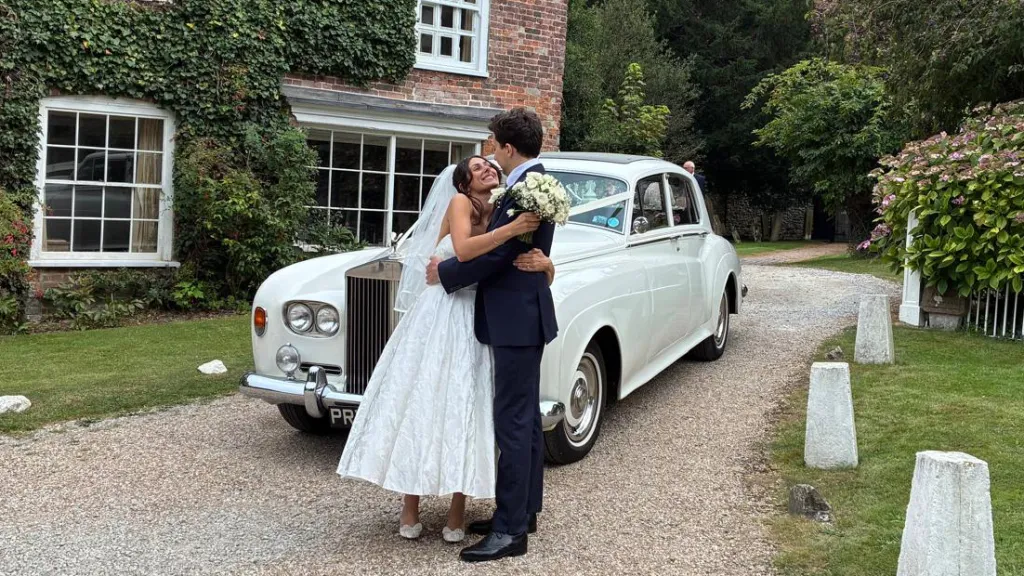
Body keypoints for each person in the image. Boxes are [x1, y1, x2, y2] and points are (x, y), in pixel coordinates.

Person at [336, 155, 554, 544]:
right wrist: (514, 230)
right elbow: (465, 250)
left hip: (477, 316)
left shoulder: (502, 207)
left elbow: (506, 264)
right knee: (427, 400)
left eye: (490, 165)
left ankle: (458, 509)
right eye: (476, 168)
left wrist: (547, 266)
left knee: (465, 408)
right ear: (463, 182)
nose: (487, 169)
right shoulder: (460, 204)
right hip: (444, 313)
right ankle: (410, 504)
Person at [426, 108, 558, 563]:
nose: (487, 149)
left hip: (517, 319)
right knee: (524, 420)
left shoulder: (527, 188)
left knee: (514, 423)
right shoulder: (531, 182)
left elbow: (501, 256)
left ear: (506, 146)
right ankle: (524, 510)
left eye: (491, 141)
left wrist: (445, 272)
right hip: (521, 315)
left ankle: (510, 530)